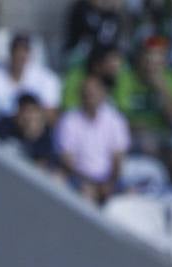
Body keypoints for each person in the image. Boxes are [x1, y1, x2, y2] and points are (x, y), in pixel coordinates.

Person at [55, 73, 131, 204]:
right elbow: (67, 160)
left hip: (109, 180)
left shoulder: (115, 120)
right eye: (87, 93)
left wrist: (109, 183)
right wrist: (89, 183)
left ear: (103, 94)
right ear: (81, 95)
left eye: (94, 93)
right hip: (78, 178)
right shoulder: (69, 120)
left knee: (131, 196)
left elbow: (118, 159)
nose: (90, 97)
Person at [0, 33, 61, 126]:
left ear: (30, 54)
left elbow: (51, 117)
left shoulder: (47, 79)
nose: (20, 55)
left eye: (25, 51)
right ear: (10, 52)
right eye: (17, 50)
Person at [114, 35, 172, 155]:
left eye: (157, 61)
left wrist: (162, 89)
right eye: (148, 59)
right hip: (131, 134)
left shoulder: (171, 79)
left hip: (161, 137)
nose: (151, 65)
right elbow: (118, 118)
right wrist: (139, 128)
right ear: (140, 58)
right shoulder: (125, 78)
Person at [0, 93, 61, 172]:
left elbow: (41, 168)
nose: (28, 117)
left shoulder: (46, 140)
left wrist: (31, 134)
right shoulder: (5, 125)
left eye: (32, 112)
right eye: (25, 112)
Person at [64, 0, 126, 67]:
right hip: (81, 53)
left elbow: (112, 39)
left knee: (120, 63)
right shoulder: (81, 8)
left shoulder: (112, 15)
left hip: (106, 54)